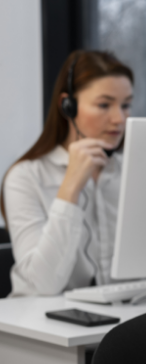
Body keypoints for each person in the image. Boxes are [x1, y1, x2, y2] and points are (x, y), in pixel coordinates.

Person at [0, 50, 133, 296]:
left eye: (126, 105)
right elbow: (40, 286)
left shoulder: (130, 172)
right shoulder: (25, 177)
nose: (120, 118)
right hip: (39, 324)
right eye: (104, 105)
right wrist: (70, 187)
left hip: (119, 319)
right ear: (68, 106)